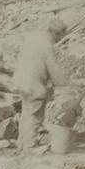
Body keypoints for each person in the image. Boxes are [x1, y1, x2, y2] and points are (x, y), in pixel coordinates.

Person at [11, 16, 67, 150]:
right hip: (33, 85)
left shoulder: (34, 38)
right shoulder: (47, 46)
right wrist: (66, 83)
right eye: (59, 37)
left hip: (21, 81)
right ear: (55, 33)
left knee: (26, 112)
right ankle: (29, 146)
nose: (59, 40)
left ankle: (22, 142)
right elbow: (55, 73)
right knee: (35, 116)